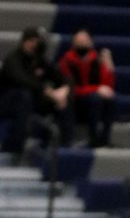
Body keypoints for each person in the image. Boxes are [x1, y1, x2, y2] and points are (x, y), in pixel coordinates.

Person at [0, 26, 74, 157]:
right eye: (30, 41)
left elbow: (63, 77)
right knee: (24, 96)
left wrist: (64, 90)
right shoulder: (13, 59)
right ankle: (16, 148)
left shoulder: (40, 60)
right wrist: (47, 91)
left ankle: (65, 148)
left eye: (36, 41)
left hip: (33, 100)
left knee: (63, 100)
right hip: (8, 101)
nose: (33, 44)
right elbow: (22, 79)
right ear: (24, 41)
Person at [58, 28, 116, 148]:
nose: (82, 44)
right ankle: (93, 138)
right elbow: (71, 89)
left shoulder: (97, 60)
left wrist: (109, 68)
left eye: (84, 41)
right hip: (76, 102)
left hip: (93, 99)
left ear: (91, 42)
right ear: (73, 43)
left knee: (110, 99)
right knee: (95, 99)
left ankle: (105, 139)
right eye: (79, 41)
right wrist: (96, 89)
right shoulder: (66, 61)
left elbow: (107, 87)